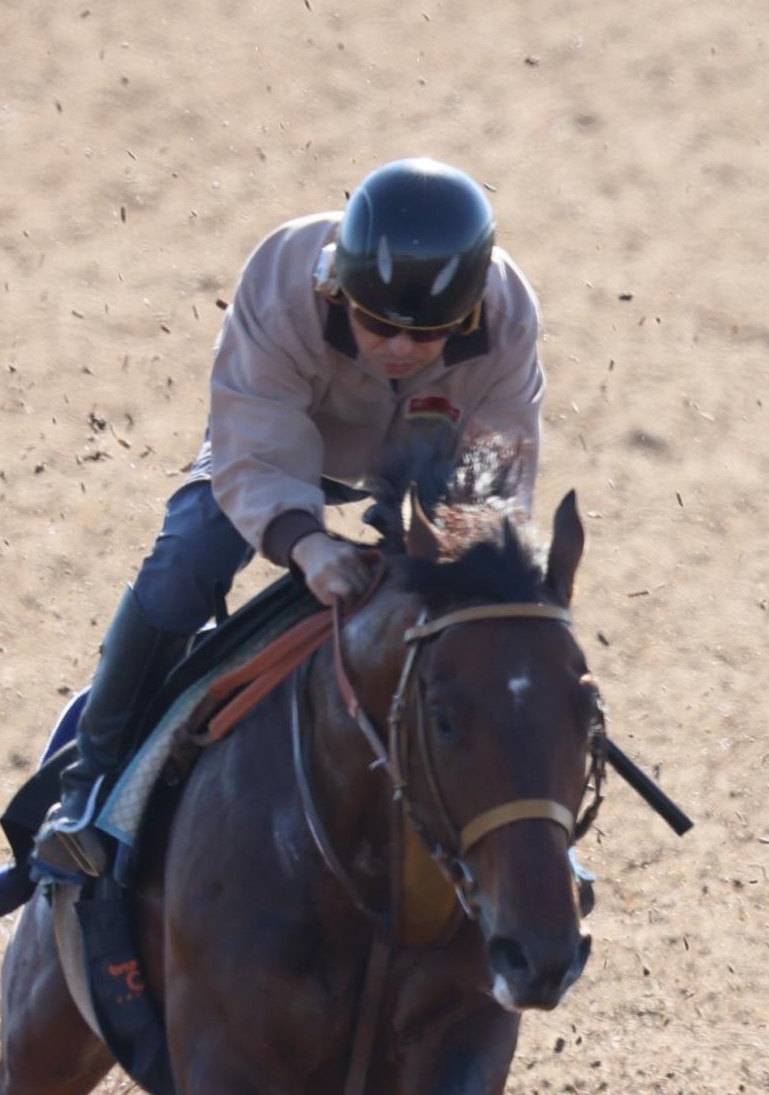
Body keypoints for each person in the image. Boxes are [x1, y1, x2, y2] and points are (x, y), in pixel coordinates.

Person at [35, 157, 546, 879]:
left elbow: (493, 473)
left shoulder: (509, 315)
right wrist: (304, 544)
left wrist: (471, 567)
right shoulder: (282, 275)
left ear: (469, 316)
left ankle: (526, 830)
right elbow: (257, 438)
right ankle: (90, 786)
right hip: (281, 444)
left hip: (424, 459)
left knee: (485, 617)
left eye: (429, 334)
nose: (400, 350)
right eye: (377, 324)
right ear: (338, 288)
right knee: (186, 563)